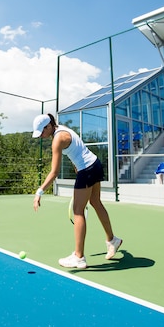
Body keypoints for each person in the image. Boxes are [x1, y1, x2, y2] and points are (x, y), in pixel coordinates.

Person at [32, 113, 122, 269]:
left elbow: (54, 172)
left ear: (49, 126)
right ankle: (112, 240)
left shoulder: (57, 139)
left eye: (42, 132)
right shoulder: (62, 129)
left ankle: (79, 257)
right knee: (95, 202)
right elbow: (77, 149)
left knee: (78, 211)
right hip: (95, 164)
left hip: (86, 170)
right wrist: (76, 166)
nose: (41, 136)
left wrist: (39, 192)